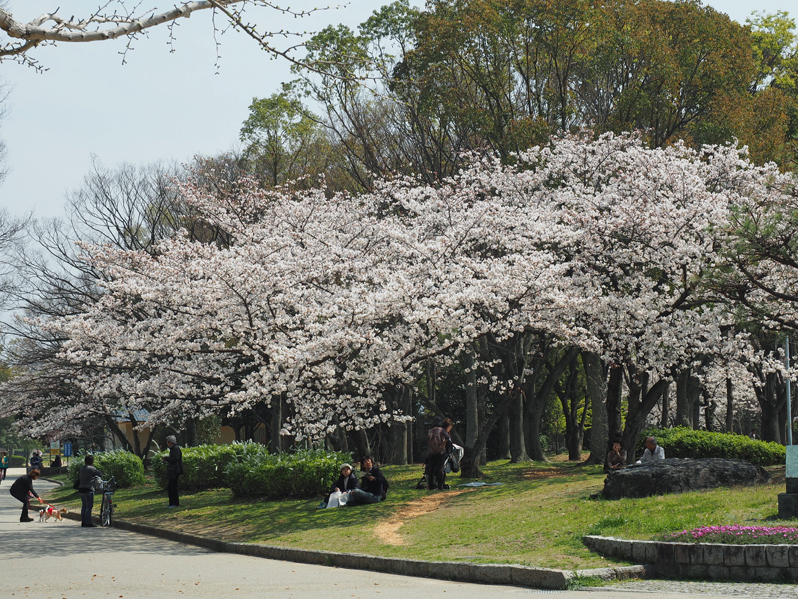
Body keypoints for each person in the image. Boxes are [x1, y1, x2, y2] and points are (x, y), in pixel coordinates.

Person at [426, 417, 453, 490]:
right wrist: (444, 443)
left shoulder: (430, 431)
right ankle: (440, 486)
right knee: (440, 469)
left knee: (431, 469)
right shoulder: (441, 430)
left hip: (431, 452)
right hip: (440, 451)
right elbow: (448, 437)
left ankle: (431, 486)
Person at [78, 454, 102, 527]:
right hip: (88, 489)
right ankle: (88, 522)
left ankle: (83, 522)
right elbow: (100, 474)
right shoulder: (91, 468)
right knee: (89, 506)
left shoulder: (82, 468)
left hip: (81, 488)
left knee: (84, 506)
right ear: (91, 461)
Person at [162, 435, 183, 508]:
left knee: (173, 487)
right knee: (170, 487)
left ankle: (175, 503)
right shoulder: (173, 449)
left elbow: (174, 459)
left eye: (168, 442)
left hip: (175, 470)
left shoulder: (176, 449)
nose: (168, 444)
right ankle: (171, 503)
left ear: (171, 442)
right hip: (172, 470)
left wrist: (166, 459)